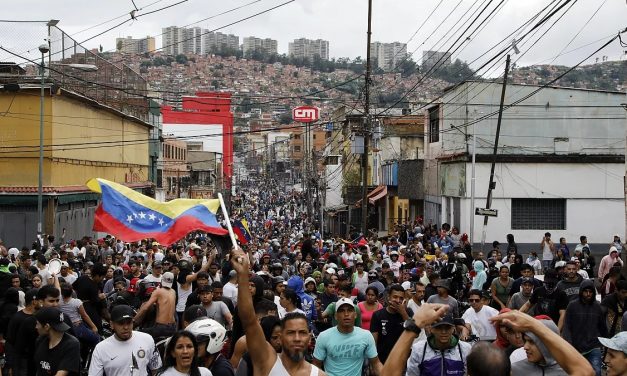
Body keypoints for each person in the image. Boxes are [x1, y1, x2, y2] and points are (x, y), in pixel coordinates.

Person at [230, 247, 324, 376]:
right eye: (290, 333)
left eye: (302, 333)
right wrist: (242, 274)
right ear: (281, 337)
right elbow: (249, 320)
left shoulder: (319, 375)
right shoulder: (267, 361)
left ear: (309, 337)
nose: (297, 338)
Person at [490, 310, 594, 376]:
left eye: (532, 341)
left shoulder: (566, 371)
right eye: (525, 340)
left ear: (546, 341)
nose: (525, 347)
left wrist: (532, 325)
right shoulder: (515, 370)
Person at [313, 297, 382, 375]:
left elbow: (376, 363)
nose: (346, 314)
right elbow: (316, 366)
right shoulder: (324, 336)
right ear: (336, 316)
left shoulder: (366, 336)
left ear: (355, 315)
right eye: (342, 311)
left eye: (349, 310)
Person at [89, 305, 162, 376]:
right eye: (121, 323)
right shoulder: (101, 349)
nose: (126, 327)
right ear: (111, 324)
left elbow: (156, 369)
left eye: (129, 322)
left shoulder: (147, 339)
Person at [563, 279, 606, 376]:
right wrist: (568, 344)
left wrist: (604, 342)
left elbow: (602, 326)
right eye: (585, 291)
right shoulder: (572, 306)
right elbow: (567, 326)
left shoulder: (597, 306)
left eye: (590, 292)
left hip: (594, 346)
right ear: (581, 291)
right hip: (576, 346)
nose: (588, 294)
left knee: (596, 372)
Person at [371, 284, 412, 363]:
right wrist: (375, 362)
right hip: (382, 359)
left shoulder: (408, 313)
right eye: (395, 297)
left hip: (402, 360)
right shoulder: (378, 315)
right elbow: (373, 343)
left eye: (401, 298)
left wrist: (403, 313)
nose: (397, 300)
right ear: (389, 297)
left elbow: (414, 333)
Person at [33, 306, 80, 375]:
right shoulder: (40, 340)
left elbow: (61, 374)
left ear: (47, 326)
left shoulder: (71, 344)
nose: (36, 327)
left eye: (37, 324)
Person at [134, 271, 177, 339]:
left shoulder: (158, 291)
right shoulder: (173, 292)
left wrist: (133, 320)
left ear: (162, 280)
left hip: (161, 328)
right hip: (173, 327)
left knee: (137, 333)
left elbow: (145, 308)